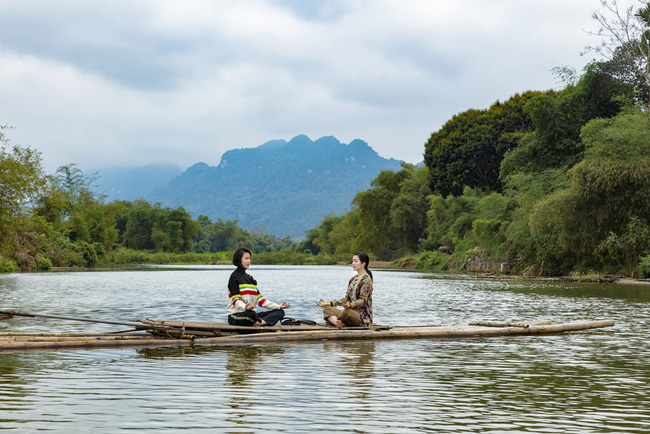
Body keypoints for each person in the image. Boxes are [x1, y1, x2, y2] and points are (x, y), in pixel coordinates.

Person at [227, 247, 290, 326]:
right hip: (236, 316)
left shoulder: (250, 279)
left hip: (251, 314)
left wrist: (278, 306)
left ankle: (260, 323)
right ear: (239, 259)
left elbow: (260, 300)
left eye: (249, 258)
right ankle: (259, 321)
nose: (249, 261)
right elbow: (235, 300)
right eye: (246, 258)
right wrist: (245, 307)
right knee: (251, 314)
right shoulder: (234, 277)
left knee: (280, 312)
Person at [317, 252, 373, 328]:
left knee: (348, 311)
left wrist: (350, 305)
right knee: (327, 309)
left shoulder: (366, 280)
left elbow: (363, 301)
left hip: (362, 316)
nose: (353, 263)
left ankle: (335, 321)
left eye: (356, 261)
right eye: (352, 261)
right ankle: (337, 323)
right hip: (348, 312)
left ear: (363, 264)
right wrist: (329, 303)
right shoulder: (353, 279)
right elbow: (346, 299)